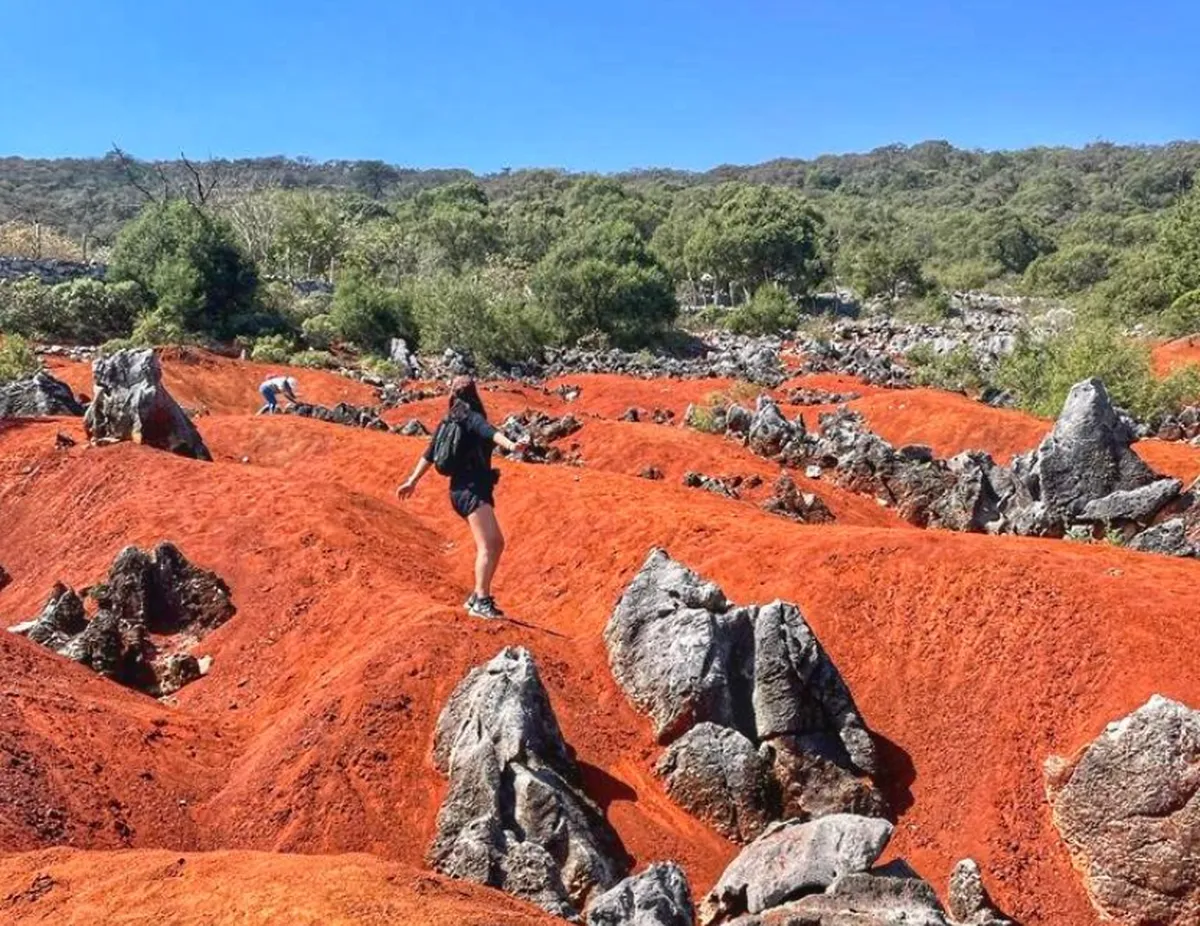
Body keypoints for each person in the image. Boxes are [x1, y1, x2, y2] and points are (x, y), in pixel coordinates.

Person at [396, 376, 525, 620]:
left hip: (461, 490)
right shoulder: (470, 417)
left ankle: (477, 596)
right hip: (470, 490)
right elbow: (490, 432)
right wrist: (511, 445)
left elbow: (429, 453)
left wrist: (412, 480)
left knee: (495, 543)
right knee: (489, 545)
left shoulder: (448, 420)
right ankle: (481, 601)